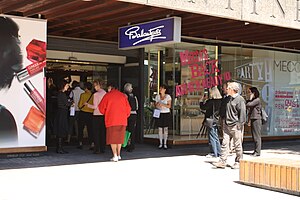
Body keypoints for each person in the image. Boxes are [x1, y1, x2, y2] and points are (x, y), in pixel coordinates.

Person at [213, 82, 246, 169]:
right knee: (225, 143)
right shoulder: (228, 99)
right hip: (227, 124)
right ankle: (222, 161)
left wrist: (240, 124)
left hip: (235, 125)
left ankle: (238, 161)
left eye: (228, 88)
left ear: (232, 89)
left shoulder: (240, 99)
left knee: (237, 144)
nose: (226, 89)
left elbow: (242, 113)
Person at [99, 83, 131, 162]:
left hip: (111, 119)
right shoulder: (123, 96)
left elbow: (101, 108)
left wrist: (106, 113)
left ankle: (115, 155)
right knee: (119, 139)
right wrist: (124, 116)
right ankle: (119, 154)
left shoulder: (107, 96)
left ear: (111, 88)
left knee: (112, 139)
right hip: (122, 120)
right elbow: (128, 109)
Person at [85, 80, 106, 154]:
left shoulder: (96, 94)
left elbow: (94, 106)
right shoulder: (105, 93)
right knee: (102, 132)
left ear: (98, 85)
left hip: (96, 114)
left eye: (95, 86)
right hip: (104, 114)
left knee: (96, 132)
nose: (94, 87)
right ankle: (103, 148)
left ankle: (97, 148)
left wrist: (87, 104)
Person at [200, 86, 222, 158]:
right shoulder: (219, 101)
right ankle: (218, 152)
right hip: (216, 120)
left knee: (211, 136)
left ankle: (213, 152)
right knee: (216, 136)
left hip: (210, 120)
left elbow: (203, 107)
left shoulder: (211, 101)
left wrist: (201, 100)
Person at [53, 80, 74, 154]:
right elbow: (67, 103)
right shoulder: (62, 94)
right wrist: (71, 102)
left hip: (60, 112)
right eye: (67, 85)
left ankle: (59, 148)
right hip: (62, 113)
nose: (68, 86)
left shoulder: (60, 94)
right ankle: (60, 148)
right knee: (61, 129)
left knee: (60, 129)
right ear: (63, 86)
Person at [246, 87, 262, 157]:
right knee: (254, 135)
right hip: (253, 118)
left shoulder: (257, 100)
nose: (249, 94)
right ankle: (255, 150)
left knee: (257, 136)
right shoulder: (254, 100)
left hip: (257, 119)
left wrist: (249, 98)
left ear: (254, 93)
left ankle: (257, 152)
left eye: (250, 92)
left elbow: (248, 104)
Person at [77, 82, 94, 150]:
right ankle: (92, 143)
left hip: (83, 113)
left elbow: (80, 105)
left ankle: (80, 143)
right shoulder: (93, 95)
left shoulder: (83, 95)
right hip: (90, 114)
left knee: (80, 128)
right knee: (90, 129)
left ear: (86, 88)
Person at [155, 84, 172, 150]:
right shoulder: (157, 96)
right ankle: (160, 143)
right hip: (159, 113)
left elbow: (169, 106)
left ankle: (165, 143)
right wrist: (158, 105)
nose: (160, 90)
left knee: (165, 129)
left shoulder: (168, 97)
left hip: (166, 113)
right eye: (160, 89)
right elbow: (155, 105)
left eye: (161, 89)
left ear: (165, 90)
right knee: (159, 129)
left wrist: (163, 104)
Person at [124, 83, 138, 152]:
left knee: (126, 130)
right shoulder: (134, 96)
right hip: (133, 114)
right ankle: (131, 145)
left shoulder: (124, 96)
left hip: (126, 114)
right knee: (132, 130)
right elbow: (137, 107)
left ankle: (126, 143)